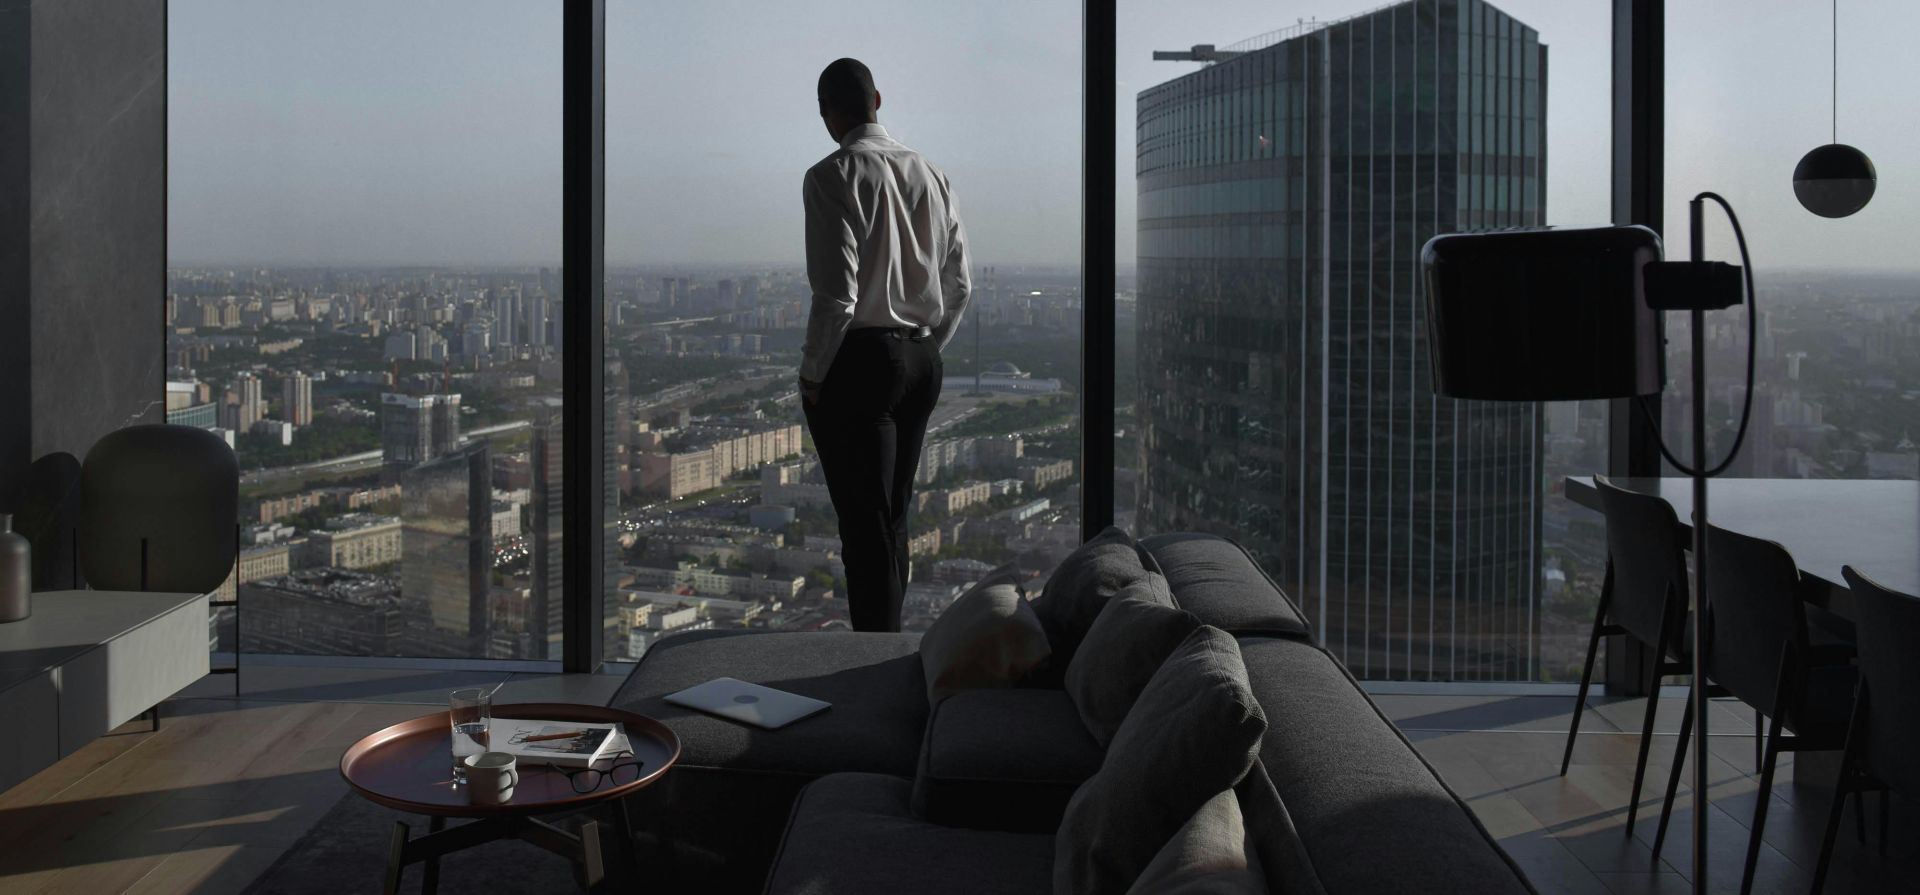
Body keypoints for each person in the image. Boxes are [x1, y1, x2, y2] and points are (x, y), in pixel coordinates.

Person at [799, 57, 971, 633]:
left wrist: (813, 375)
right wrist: (924, 346)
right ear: (878, 101)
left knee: (863, 526)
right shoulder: (932, 173)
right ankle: (891, 651)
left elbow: (837, 297)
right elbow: (960, 283)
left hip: (861, 365)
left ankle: (872, 659)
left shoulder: (830, 176)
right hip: (922, 361)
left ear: (828, 114)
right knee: (895, 516)